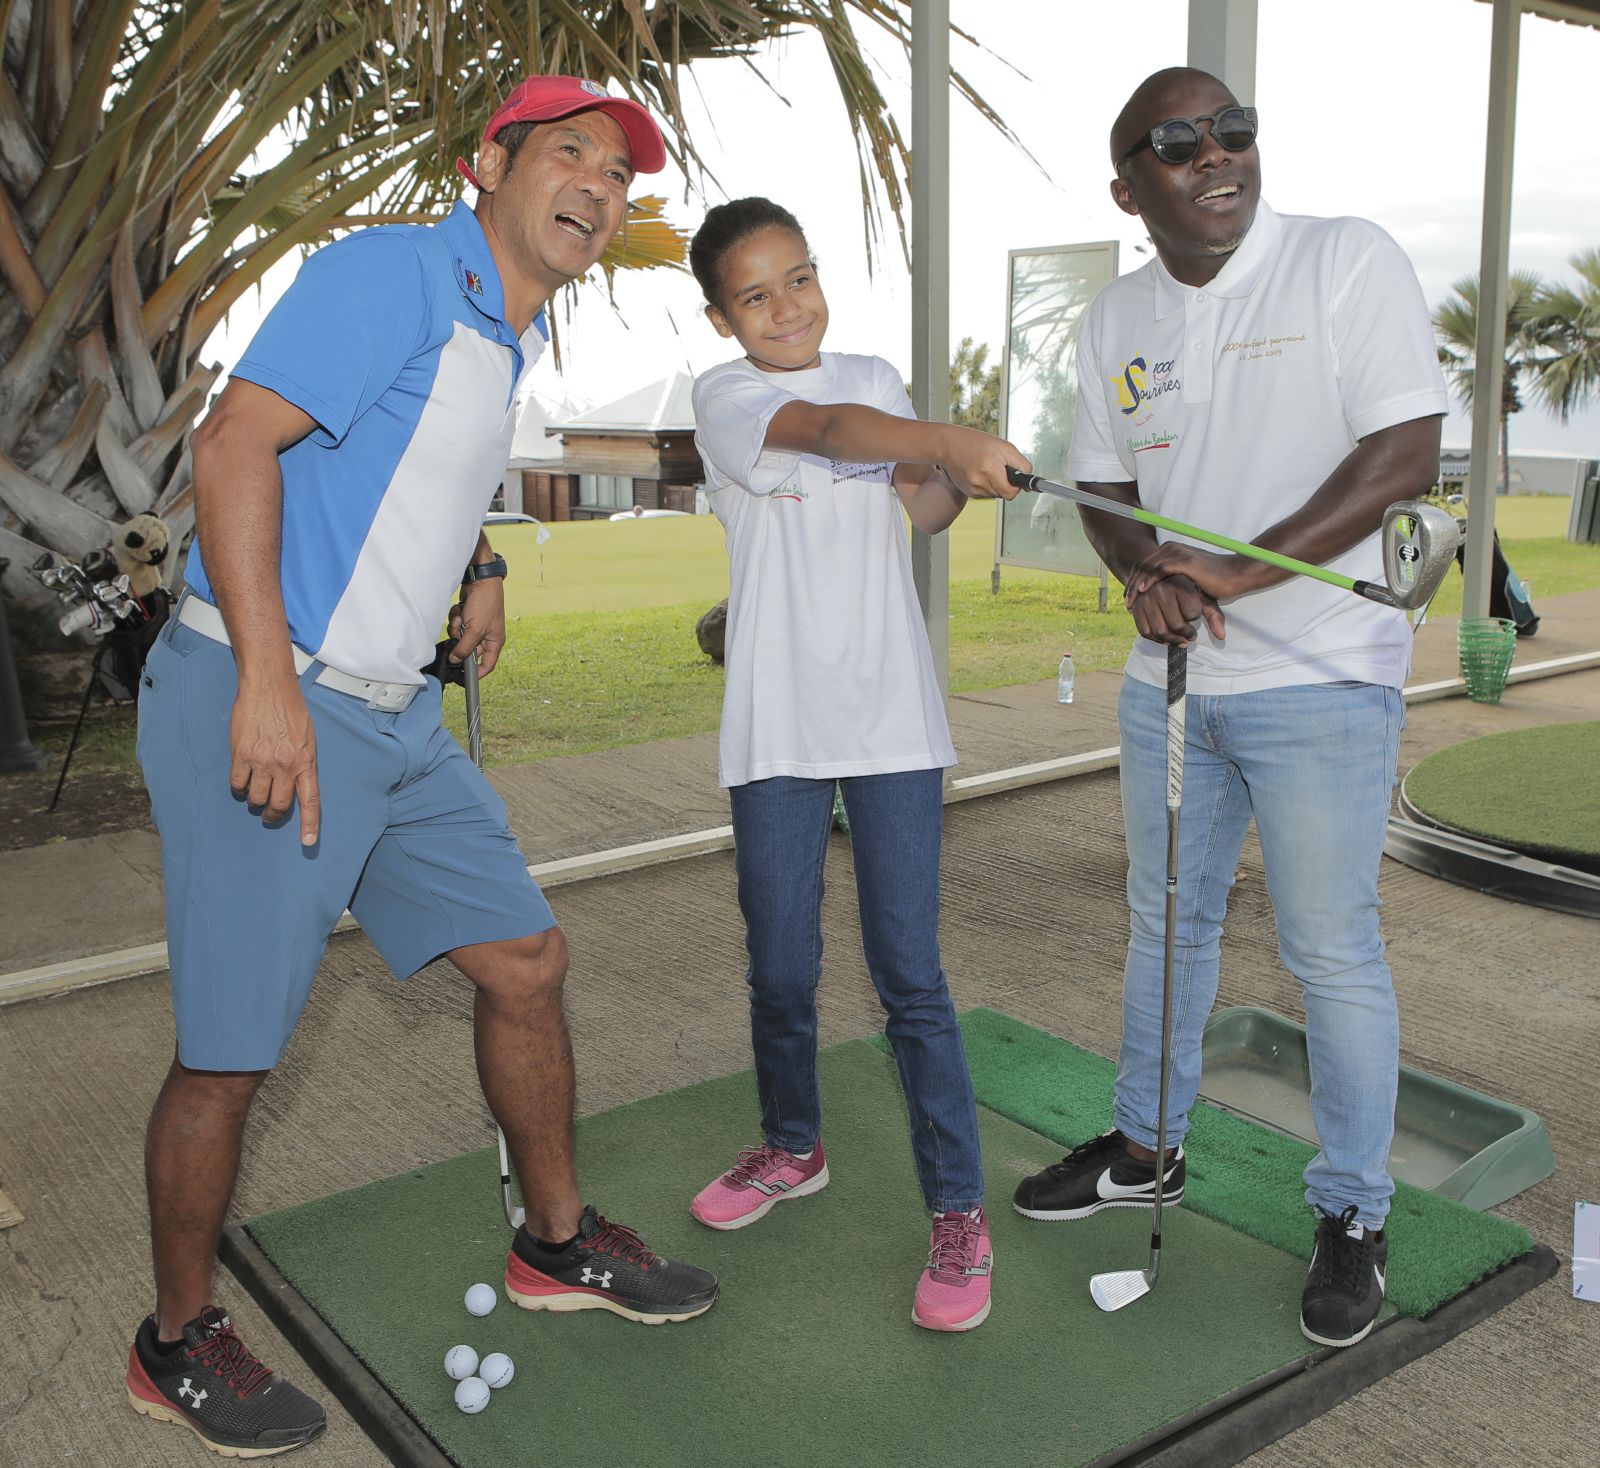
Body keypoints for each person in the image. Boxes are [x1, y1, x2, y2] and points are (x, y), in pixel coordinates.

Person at [127, 77, 719, 1459]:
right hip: (262, 693)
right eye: (567, 154)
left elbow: (410, 464)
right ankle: (172, 1341)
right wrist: (268, 684)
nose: (597, 185)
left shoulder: (503, 327)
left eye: (618, 172)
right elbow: (235, 444)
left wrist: (483, 559)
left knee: (525, 959)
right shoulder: (391, 272)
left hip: (393, 721)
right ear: (486, 169)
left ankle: (554, 1243)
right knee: (228, 1055)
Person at [1011, 67, 1446, 1350]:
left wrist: (1233, 571)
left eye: (1233, 132)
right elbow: (1099, 486)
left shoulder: (1341, 263)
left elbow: (1402, 455)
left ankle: (1353, 1211)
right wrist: (1142, 571)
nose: (1217, 154)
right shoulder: (1115, 318)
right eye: (1178, 141)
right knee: (1166, 928)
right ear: (1126, 185)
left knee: (1329, 953)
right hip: (1175, 685)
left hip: (1322, 668)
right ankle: (1148, 1147)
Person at [685, 197, 1031, 1332]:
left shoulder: (876, 373)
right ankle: (793, 1144)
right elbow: (831, 435)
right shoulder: (729, 398)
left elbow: (916, 509)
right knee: (780, 967)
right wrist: (939, 439)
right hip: (776, 729)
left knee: (910, 977)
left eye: (800, 276)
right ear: (720, 312)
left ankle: (956, 1209)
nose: (787, 306)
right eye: (756, 292)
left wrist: (958, 475)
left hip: (890, 723)